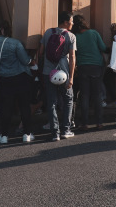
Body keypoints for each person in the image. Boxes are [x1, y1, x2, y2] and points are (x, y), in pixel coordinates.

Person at [0, 20, 36, 144]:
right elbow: (25, 61)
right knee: (24, 107)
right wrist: (32, 59)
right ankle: (27, 134)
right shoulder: (16, 43)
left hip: (4, 78)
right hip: (21, 77)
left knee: (6, 107)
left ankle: (4, 135)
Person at [39, 12, 76, 141]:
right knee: (68, 101)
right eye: (71, 21)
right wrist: (71, 77)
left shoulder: (48, 32)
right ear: (65, 22)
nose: (72, 23)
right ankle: (66, 130)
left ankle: (55, 133)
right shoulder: (71, 36)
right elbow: (72, 57)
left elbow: (41, 52)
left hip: (48, 73)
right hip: (64, 74)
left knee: (51, 103)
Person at [72, 15, 108, 131]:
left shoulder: (75, 36)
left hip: (82, 66)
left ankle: (85, 123)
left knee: (84, 96)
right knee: (97, 95)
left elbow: (74, 54)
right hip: (96, 66)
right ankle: (99, 123)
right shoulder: (94, 33)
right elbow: (103, 47)